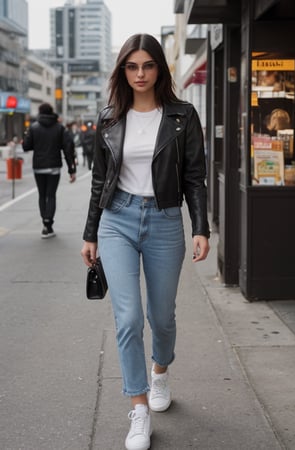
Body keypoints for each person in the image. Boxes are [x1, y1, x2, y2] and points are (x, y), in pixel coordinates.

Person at [81, 34, 210, 450]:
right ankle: (138, 409)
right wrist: (90, 233)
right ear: (123, 71)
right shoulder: (109, 118)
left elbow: (194, 176)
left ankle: (160, 371)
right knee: (129, 318)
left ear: (160, 69)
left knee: (162, 317)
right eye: (132, 67)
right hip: (116, 220)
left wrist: (201, 227)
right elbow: (101, 181)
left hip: (164, 219)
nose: (140, 74)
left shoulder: (182, 116)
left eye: (147, 66)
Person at [23, 103, 76, 238]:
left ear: (40, 112)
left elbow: (26, 146)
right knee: (51, 195)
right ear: (52, 112)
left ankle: (45, 223)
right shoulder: (59, 128)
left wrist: (27, 136)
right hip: (54, 166)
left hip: (39, 166)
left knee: (42, 195)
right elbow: (68, 148)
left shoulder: (34, 127)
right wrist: (71, 169)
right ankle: (48, 224)